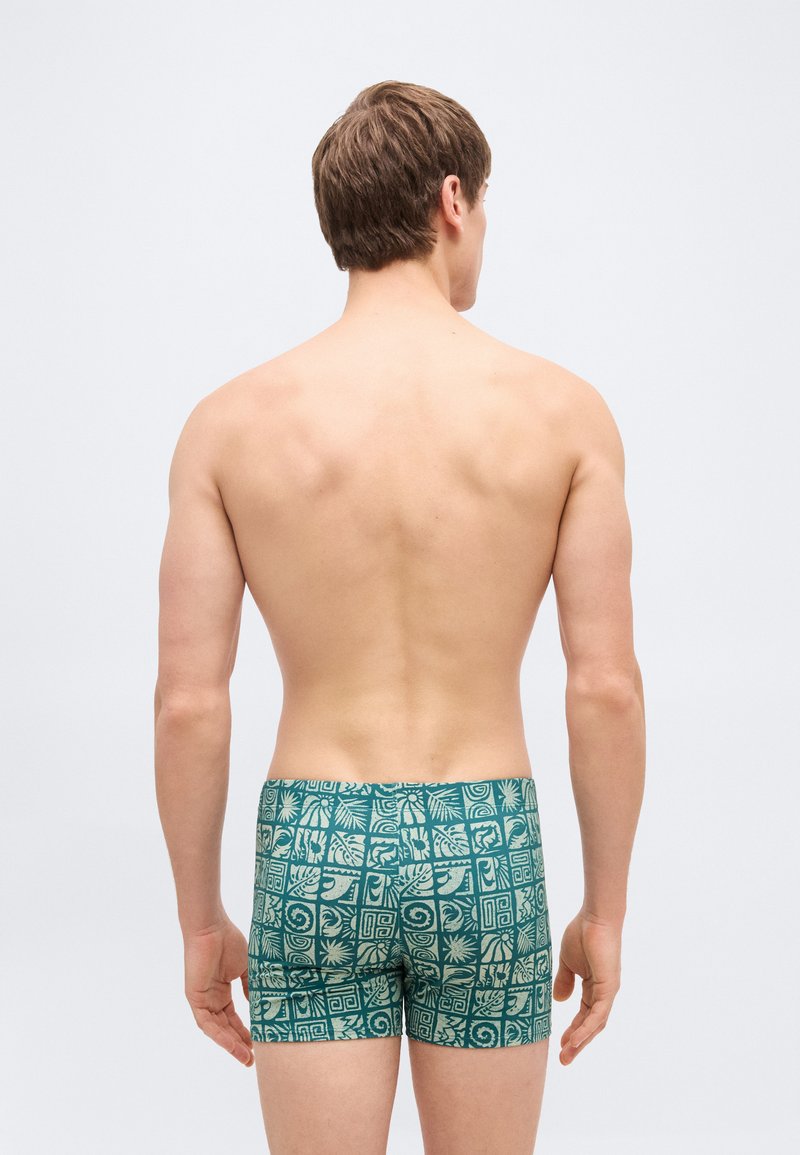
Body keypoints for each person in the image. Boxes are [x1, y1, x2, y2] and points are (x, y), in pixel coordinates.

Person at [154, 79, 646, 1155]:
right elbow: (603, 684)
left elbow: (190, 701)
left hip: (314, 844)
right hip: (486, 843)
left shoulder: (227, 427)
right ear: (452, 201)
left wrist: (199, 921)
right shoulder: (563, 415)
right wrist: (603, 910)